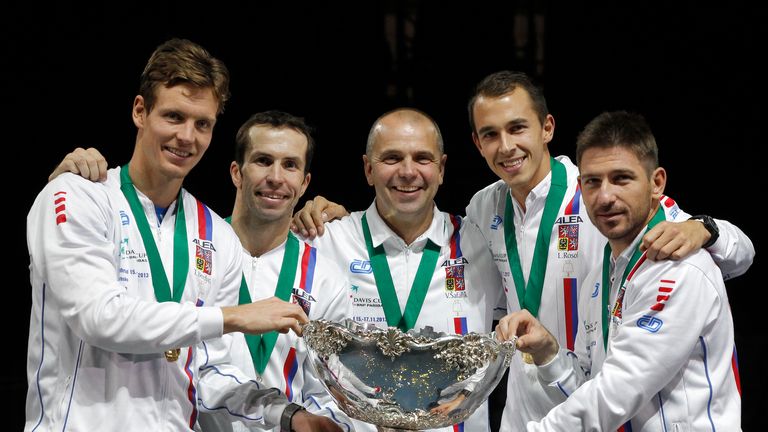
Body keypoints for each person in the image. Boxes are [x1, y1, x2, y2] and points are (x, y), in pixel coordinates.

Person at [26, 38, 339, 431]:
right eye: (174, 116)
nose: (187, 137)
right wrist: (231, 317)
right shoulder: (77, 195)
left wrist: (288, 416)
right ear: (140, 111)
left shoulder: (216, 235)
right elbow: (98, 318)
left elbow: (209, 372)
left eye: (202, 124)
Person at [464, 71, 754, 431]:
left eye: (517, 127)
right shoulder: (483, 208)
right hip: (542, 401)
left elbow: (737, 251)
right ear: (477, 143)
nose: (506, 146)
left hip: (587, 413)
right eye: (491, 134)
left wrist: (706, 228)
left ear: (547, 128)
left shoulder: (597, 194)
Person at [293, 108, 505, 432]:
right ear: (368, 169)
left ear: (442, 168)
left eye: (422, 158)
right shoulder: (324, 242)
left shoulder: (482, 243)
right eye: (392, 158)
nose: (408, 172)